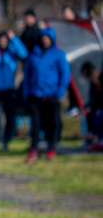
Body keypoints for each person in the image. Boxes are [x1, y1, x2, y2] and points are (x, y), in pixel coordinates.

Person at [23, 27, 70, 163]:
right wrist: (27, 92)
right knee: (36, 124)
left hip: (51, 95)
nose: (45, 40)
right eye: (43, 38)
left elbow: (65, 74)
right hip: (35, 95)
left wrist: (60, 91)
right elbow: (27, 76)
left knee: (53, 123)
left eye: (47, 38)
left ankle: (51, 147)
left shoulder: (58, 54)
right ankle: (34, 149)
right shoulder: (33, 55)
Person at [80, 62, 103, 145]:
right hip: (96, 107)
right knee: (86, 113)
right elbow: (93, 99)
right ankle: (90, 137)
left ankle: (99, 138)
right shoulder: (93, 85)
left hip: (100, 109)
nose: (88, 78)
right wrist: (86, 106)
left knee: (99, 116)